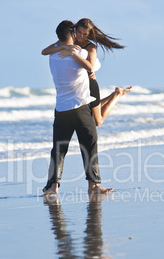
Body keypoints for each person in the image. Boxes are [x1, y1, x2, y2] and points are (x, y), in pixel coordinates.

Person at [42, 20, 112, 196]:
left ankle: (52, 185)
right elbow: (92, 67)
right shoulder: (79, 52)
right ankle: (93, 186)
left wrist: (62, 48)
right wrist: (74, 53)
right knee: (89, 145)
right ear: (73, 34)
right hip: (80, 107)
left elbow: (45, 50)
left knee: (58, 148)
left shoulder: (53, 54)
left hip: (61, 109)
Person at [42, 18, 132, 126]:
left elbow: (91, 67)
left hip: (90, 84)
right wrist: (64, 46)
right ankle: (113, 94)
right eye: (79, 32)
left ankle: (116, 94)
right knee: (88, 110)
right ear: (75, 31)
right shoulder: (70, 40)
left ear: (89, 34)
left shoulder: (91, 47)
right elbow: (45, 51)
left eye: (85, 34)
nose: (80, 36)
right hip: (77, 86)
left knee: (97, 121)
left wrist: (73, 54)